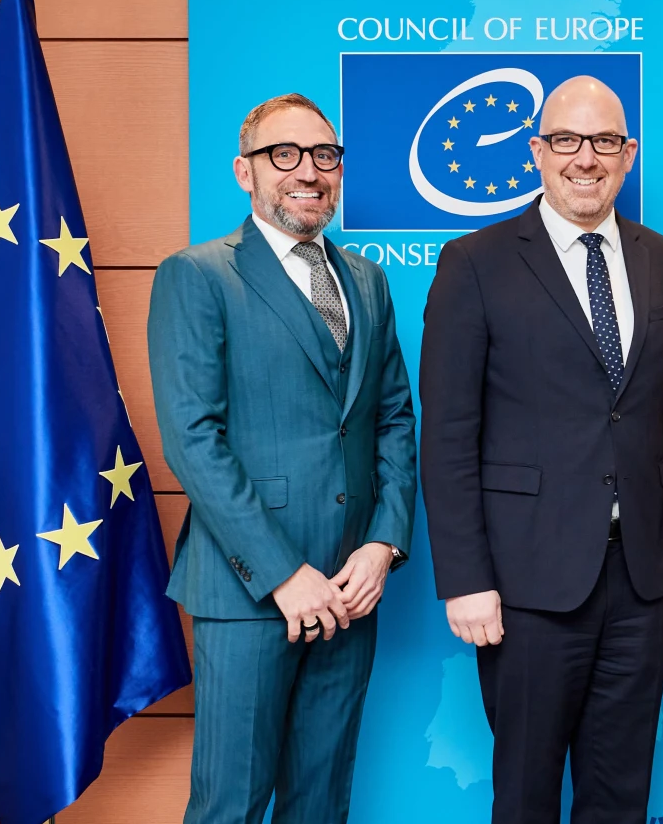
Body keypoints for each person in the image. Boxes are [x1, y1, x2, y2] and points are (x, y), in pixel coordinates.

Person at [418, 75, 663, 824]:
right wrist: (465, 578)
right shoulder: (474, 262)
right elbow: (447, 436)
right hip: (524, 585)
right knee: (526, 794)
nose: (588, 158)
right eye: (568, 141)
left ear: (629, 153)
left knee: (620, 797)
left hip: (641, 577)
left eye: (605, 141)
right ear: (537, 152)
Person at [147, 93, 417, 824]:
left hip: (350, 591)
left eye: (324, 156)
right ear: (245, 172)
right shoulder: (197, 275)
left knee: (321, 805)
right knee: (229, 806)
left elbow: (392, 418)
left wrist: (382, 544)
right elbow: (193, 440)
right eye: (285, 155)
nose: (309, 171)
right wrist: (283, 575)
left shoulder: (366, 279)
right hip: (248, 595)